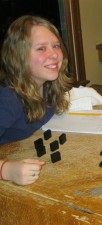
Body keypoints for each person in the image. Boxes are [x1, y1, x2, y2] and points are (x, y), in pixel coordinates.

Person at [0, 15, 73, 185]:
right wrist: (6, 170)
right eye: (41, 48)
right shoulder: (7, 99)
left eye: (56, 46)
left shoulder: (49, 85)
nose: (54, 54)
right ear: (19, 57)